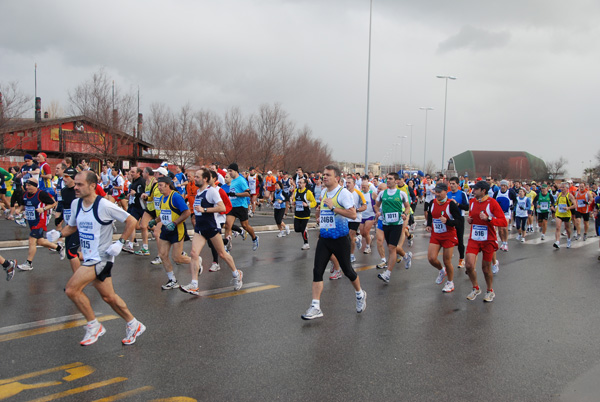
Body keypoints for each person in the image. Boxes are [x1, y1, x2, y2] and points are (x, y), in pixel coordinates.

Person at [47, 170, 146, 346]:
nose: (75, 187)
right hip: (89, 257)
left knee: (71, 289)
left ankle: (94, 326)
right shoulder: (77, 204)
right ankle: (134, 324)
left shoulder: (104, 206)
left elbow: (131, 221)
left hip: (102, 258)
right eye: (75, 184)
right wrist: (58, 234)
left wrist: (120, 242)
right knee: (109, 297)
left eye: (80, 184)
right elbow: (72, 227)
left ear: (92, 186)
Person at [301, 165, 366, 320]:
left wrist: (334, 208)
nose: (324, 177)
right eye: (323, 175)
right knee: (317, 271)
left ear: (337, 178)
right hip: (325, 238)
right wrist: (319, 215)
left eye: (328, 175)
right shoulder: (323, 192)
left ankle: (359, 294)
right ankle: (315, 306)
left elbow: (352, 214)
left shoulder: (343, 193)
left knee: (348, 271)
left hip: (340, 239)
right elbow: (324, 210)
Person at [180, 168, 244, 295]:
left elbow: (222, 207)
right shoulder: (198, 192)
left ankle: (237, 274)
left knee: (222, 254)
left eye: (197, 176)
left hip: (211, 227)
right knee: (193, 253)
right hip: (200, 228)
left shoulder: (212, 192)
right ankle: (194, 285)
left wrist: (204, 209)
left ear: (205, 179)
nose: (195, 178)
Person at [464, 180, 507, 302]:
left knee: (485, 268)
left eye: (475, 189)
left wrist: (489, 219)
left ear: (483, 191)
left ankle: (490, 291)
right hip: (474, 238)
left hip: (488, 239)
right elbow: (472, 215)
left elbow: (503, 222)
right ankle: (476, 288)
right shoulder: (472, 202)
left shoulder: (492, 203)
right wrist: (470, 220)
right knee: (469, 265)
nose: (473, 191)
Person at [148, 176, 192, 289]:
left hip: (177, 230)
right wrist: (155, 221)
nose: (159, 188)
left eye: (161, 186)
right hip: (166, 230)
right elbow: (163, 214)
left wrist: (175, 223)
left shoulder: (175, 197)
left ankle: (196, 261)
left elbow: (187, 212)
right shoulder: (163, 198)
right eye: (158, 186)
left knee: (177, 258)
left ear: (168, 185)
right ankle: (172, 280)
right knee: (163, 255)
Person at [15, 179, 65, 271]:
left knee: (31, 240)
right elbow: (23, 205)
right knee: (40, 241)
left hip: (40, 221)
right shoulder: (25, 194)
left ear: (35, 186)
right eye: (26, 185)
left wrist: (44, 208)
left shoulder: (41, 194)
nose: (27, 187)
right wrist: (19, 210)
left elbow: (53, 203)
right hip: (31, 221)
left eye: (29, 186)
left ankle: (28, 263)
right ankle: (59, 247)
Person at [375, 173, 412, 284]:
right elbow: (376, 205)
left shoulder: (401, 194)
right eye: (387, 179)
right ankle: (406, 256)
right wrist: (377, 212)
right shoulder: (382, 193)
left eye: (391, 179)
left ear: (396, 181)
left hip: (397, 224)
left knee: (391, 248)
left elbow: (407, 206)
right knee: (392, 247)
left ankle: (388, 274)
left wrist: (405, 213)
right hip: (386, 223)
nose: (388, 180)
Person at [426, 182, 462, 293]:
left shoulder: (451, 204)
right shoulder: (432, 202)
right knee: (431, 258)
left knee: (447, 261)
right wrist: (428, 225)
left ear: (446, 191)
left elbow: (459, 221)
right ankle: (441, 271)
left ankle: (450, 282)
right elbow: (430, 215)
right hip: (436, 234)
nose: (437, 194)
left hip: (448, 235)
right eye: (436, 192)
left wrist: (448, 221)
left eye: (439, 192)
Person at [223, 163, 259, 251]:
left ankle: (254, 238)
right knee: (228, 225)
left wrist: (235, 194)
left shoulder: (241, 180)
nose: (229, 173)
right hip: (232, 206)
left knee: (245, 226)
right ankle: (227, 247)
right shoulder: (232, 180)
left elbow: (248, 193)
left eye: (230, 171)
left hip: (241, 206)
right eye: (228, 171)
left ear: (235, 171)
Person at [448, 177, 470, 267]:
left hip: (459, 218)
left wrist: (457, 204)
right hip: (450, 218)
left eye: (453, 183)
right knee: (449, 239)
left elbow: (467, 207)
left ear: (457, 184)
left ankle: (461, 259)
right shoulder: (448, 194)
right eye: (450, 183)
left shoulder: (462, 194)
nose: (452, 185)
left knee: (460, 240)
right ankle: (448, 257)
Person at [291, 177, 317, 250]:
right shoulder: (296, 191)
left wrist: (307, 204)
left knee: (302, 229)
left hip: (305, 214)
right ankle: (305, 230)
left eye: (300, 182)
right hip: (297, 213)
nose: (299, 184)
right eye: (298, 182)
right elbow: (294, 199)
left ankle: (306, 243)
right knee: (296, 229)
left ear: (305, 184)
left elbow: (314, 202)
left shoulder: (308, 192)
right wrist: (293, 202)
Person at [551, 182, 576, 249]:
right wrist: (554, 207)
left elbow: (575, 205)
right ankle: (557, 242)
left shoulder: (570, 195)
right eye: (561, 187)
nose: (562, 189)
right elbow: (556, 203)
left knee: (567, 229)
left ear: (567, 188)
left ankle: (568, 239)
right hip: (559, 213)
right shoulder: (558, 195)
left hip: (566, 214)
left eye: (563, 187)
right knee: (558, 227)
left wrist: (568, 208)